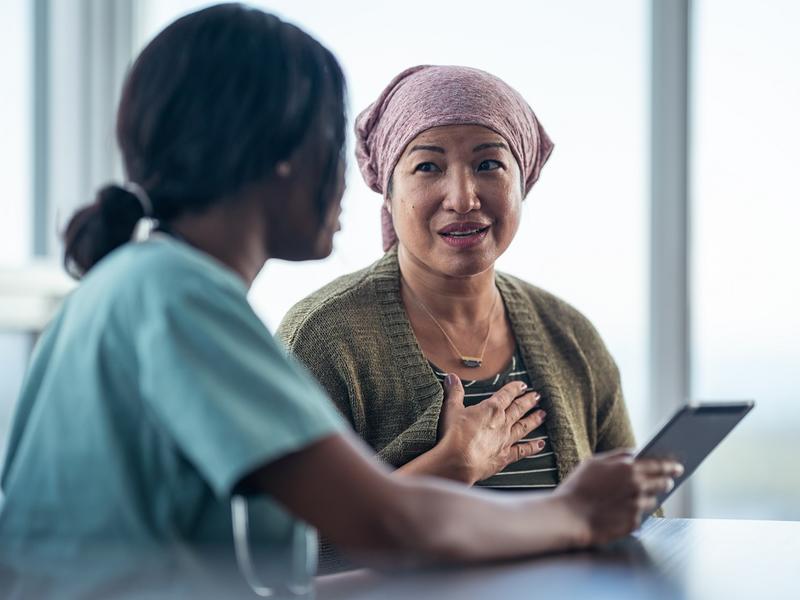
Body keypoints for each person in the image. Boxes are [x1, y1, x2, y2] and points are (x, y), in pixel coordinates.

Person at [0, 5, 680, 599]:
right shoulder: (176, 298)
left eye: (487, 163)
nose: (353, 181)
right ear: (284, 154)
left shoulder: (137, 285)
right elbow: (386, 522)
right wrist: (574, 514)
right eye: (334, 138)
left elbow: (282, 572)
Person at [277, 66, 642, 568]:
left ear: (523, 182)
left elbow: (638, 519)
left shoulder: (569, 334)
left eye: (489, 164)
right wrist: (451, 466)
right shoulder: (323, 337)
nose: (463, 197)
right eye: (428, 167)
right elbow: (285, 554)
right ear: (387, 188)